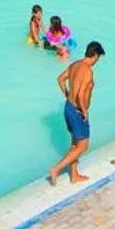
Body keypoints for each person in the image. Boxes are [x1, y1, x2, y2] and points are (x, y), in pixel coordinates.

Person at [47, 41, 106, 186]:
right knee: (83, 145)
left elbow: (60, 79)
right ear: (95, 55)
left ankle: (74, 175)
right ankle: (56, 169)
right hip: (77, 111)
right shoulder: (87, 70)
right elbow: (80, 95)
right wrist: (84, 111)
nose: (97, 61)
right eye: (98, 58)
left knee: (75, 144)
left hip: (68, 107)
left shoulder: (75, 65)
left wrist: (68, 95)